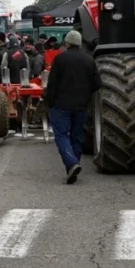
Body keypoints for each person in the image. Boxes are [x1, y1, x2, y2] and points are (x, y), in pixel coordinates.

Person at [42, 30, 100, 184]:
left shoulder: (60, 59)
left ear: (67, 43)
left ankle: (72, 162)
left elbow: (52, 84)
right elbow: (96, 84)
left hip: (61, 105)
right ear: (80, 43)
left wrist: (50, 102)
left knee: (61, 135)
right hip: (81, 105)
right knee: (77, 137)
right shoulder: (89, 60)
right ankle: (73, 166)